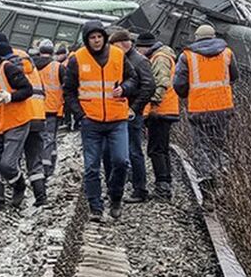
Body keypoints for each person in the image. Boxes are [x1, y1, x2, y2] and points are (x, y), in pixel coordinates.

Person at [62, 20, 139, 222]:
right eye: (92, 38)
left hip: (117, 119)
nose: (96, 41)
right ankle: (95, 207)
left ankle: (115, 198)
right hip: (91, 121)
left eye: (99, 37)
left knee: (121, 161)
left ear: (104, 37)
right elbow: (68, 91)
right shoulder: (77, 59)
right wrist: (80, 115)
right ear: (86, 40)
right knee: (91, 167)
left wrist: (125, 88)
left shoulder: (118, 55)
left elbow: (133, 79)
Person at [173, 24, 238, 204]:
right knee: (220, 146)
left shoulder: (187, 56)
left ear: (196, 38)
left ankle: (207, 189)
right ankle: (223, 183)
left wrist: (188, 94)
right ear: (214, 36)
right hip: (223, 108)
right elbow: (234, 76)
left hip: (199, 110)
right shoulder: (227, 53)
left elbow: (178, 83)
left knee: (202, 148)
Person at [0, 38, 47, 210]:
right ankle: (41, 197)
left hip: (17, 116)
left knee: (9, 160)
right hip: (37, 114)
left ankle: (17, 189)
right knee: (34, 159)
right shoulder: (26, 58)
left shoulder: (3, 66)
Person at [109, 28, 156, 203]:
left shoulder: (139, 61)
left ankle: (140, 190)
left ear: (122, 44)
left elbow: (148, 86)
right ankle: (133, 185)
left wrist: (134, 108)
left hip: (131, 112)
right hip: (125, 110)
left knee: (134, 150)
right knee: (128, 150)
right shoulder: (130, 59)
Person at [138, 32, 179, 200]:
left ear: (144, 47)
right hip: (165, 109)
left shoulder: (160, 58)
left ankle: (163, 187)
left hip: (161, 110)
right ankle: (165, 183)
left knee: (156, 150)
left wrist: (149, 102)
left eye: (138, 48)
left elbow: (161, 83)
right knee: (161, 148)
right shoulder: (161, 55)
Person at [32, 39, 64, 177]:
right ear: (52, 52)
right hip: (52, 109)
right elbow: (67, 87)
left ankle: (36, 166)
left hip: (34, 109)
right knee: (49, 138)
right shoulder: (58, 67)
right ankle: (46, 168)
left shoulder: (31, 65)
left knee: (36, 139)